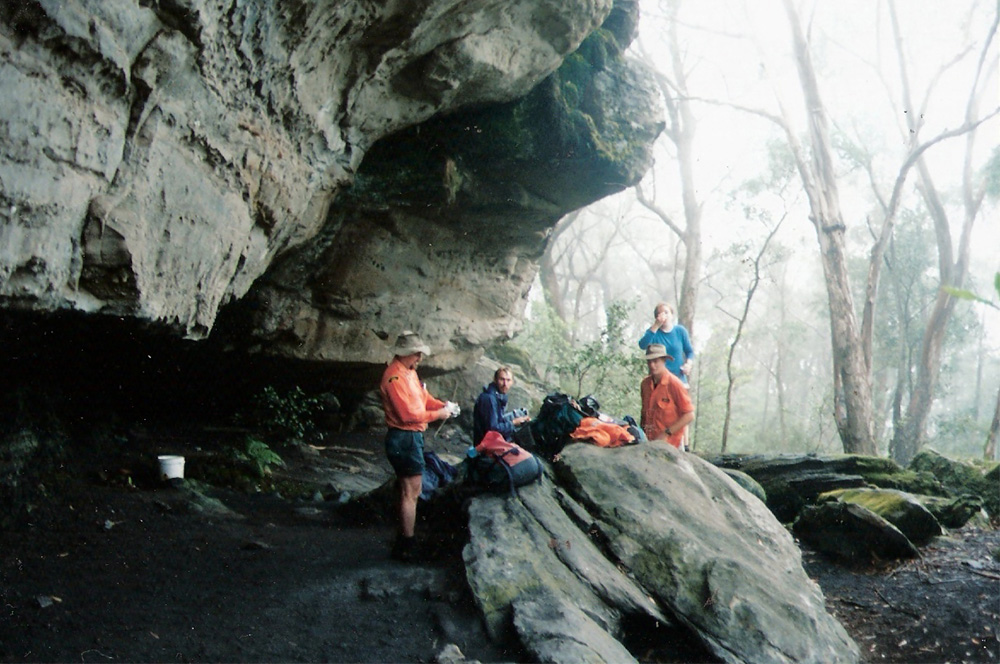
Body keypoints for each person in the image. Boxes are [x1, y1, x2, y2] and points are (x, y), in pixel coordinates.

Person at [379, 331, 460, 561]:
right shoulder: (394, 377)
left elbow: (423, 400)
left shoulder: (409, 373)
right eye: (417, 353)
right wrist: (439, 414)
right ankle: (406, 545)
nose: (419, 358)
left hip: (411, 438)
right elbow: (407, 415)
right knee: (411, 492)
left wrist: (443, 405)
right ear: (406, 353)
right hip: (404, 437)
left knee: (409, 491)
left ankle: (403, 539)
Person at [640, 344, 695, 449]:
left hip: (672, 445)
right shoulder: (645, 384)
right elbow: (644, 414)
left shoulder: (675, 384)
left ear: (664, 361)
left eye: (656, 361)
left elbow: (689, 415)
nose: (652, 365)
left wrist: (666, 433)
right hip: (649, 444)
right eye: (649, 361)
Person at [637, 302, 695, 385]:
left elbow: (689, 351)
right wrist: (656, 326)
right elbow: (642, 345)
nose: (664, 316)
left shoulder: (680, 331)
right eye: (660, 314)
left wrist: (688, 364)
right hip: (658, 381)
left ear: (672, 315)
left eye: (666, 312)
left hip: (678, 379)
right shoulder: (653, 332)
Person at [473, 366, 530, 445]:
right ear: (495, 380)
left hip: (493, 437)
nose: (505, 384)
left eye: (508, 380)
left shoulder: (500, 396)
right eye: (502, 379)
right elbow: (492, 429)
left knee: (522, 414)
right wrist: (513, 423)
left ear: (512, 382)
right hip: (486, 444)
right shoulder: (489, 399)